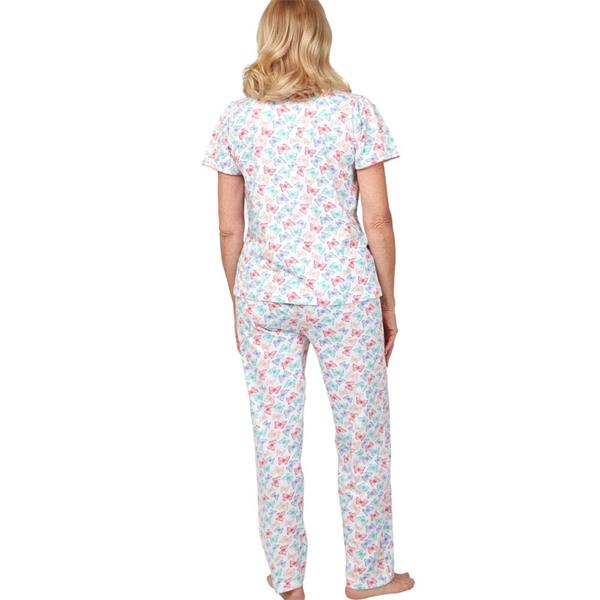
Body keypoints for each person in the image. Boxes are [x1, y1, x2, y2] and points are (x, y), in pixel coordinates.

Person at [201, 1, 414, 598]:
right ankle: (369, 575)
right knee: (362, 436)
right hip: (344, 294)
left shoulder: (238, 119)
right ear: (321, 38)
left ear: (267, 37)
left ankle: (289, 580)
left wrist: (238, 303)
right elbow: (378, 219)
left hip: (264, 298)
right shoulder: (354, 112)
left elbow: (229, 228)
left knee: (274, 442)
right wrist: (389, 301)